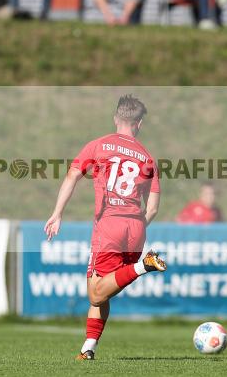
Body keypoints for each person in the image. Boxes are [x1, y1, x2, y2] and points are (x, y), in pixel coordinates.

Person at [44, 95, 168, 361]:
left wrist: (57, 213)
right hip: (136, 227)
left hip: (109, 225)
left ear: (116, 119)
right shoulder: (147, 158)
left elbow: (72, 176)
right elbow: (154, 207)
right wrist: (137, 226)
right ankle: (88, 348)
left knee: (95, 291)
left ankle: (143, 266)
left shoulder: (99, 145)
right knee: (102, 293)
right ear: (140, 124)